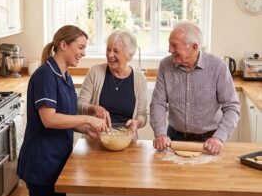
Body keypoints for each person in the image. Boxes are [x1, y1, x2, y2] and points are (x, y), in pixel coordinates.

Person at [17, 25, 108, 196]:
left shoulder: (64, 75)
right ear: (63, 45)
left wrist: (87, 129)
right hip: (42, 163)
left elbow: (64, 117)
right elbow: (49, 119)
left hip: (57, 162)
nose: (83, 53)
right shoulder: (45, 75)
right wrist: (87, 119)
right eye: (81, 47)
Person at [150, 22, 240, 155]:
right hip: (174, 139)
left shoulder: (218, 66)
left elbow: (232, 107)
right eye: (169, 44)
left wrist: (219, 137)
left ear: (194, 47)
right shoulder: (165, 65)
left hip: (209, 142)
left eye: (175, 45)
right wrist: (160, 133)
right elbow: (158, 103)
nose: (170, 50)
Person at [78, 29, 147, 136]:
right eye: (108, 50)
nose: (110, 55)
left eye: (116, 51)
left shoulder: (140, 79)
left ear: (129, 55)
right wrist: (94, 108)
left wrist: (137, 123)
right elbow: (79, 105)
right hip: (97, 138)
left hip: (126, 140)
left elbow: (142, 115)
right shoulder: (95, 72)